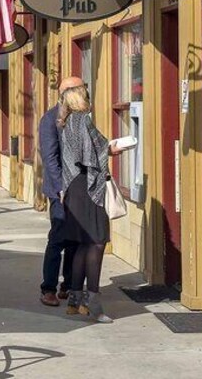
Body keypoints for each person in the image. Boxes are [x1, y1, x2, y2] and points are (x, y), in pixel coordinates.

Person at [59, 82, 120, 323]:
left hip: (74, 188)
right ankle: (93, 304)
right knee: (96, 242)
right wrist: (111, 149)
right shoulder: (83, 121)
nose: (90, 99)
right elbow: (90, 155)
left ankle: (75, 301)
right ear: (81, 99)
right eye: (86, 95)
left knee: (83, 245)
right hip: (87, 188)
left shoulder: (67, 123)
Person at [38, 77, 82, 307]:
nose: (84, 92)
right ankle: (48, 288)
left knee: (76, 240)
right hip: (61, 191)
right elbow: (50, 158)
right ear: (65, 93)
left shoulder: (81, 116)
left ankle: (69, 285)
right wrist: (60, 188)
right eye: (80, 88)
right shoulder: (50, 119)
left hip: (80, 189)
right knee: (58, 238)